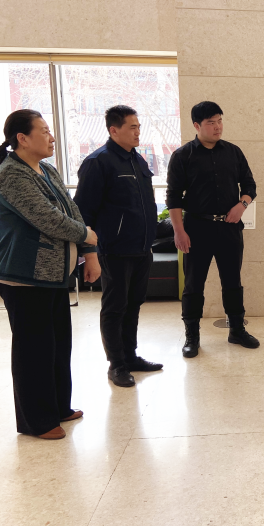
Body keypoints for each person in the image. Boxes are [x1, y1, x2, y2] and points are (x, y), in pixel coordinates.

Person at [0, 109, 100, 439]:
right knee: (34, 351)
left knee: (57, 346)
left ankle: (57, 407)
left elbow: (71, 210)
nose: (52, 137)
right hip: (24, 277)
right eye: (44, 131)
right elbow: (47, 218)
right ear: (22, 139)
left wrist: (89, 252)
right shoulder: (12, 175)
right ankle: (36, 421)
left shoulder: (47, 169)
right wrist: (86, 235)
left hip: (53, 276)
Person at [74, 105, 163, 388]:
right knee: (115, 307)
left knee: (134, 304)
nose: (138, 132)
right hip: (114, 250)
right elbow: (83, 212)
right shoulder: (98, 162)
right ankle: (117, 364)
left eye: (139, 126)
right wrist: (89, 253)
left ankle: (130, 356)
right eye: (132, 127)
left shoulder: (137, 160)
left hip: (141, 248)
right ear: (114, 130)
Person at [166, 101, 259, 356]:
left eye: (220, 121)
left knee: (232, 282)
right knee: (193, 284)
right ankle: (192, 336)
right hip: (196, 229)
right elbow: (173, 197)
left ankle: (237, 330)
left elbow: (250, 186)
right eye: (211, 123)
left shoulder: (233, 152)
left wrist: (241, 205)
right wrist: (179, 231)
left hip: (229, 228)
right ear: (197, 126)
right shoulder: (182, 156)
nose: (218, 127)